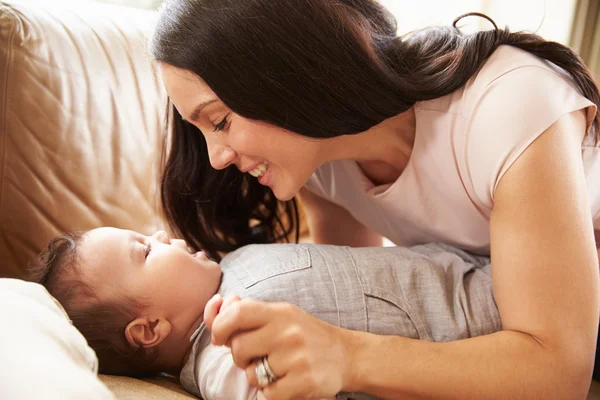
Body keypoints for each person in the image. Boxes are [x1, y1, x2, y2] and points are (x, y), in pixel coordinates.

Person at [149, 0, 600, 398]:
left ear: (286, 72)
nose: (215, 158)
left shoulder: (506, 102)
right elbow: (361, 304)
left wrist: (349, 357)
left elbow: (558, 375)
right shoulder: (320, 168)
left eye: (220, 121)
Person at [29, 227, 499, 400]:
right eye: (147, 251)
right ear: (149, 328)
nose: (163, 236)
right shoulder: (221, 358)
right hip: (480, 324)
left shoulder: (227, 265)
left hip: (469, 265)